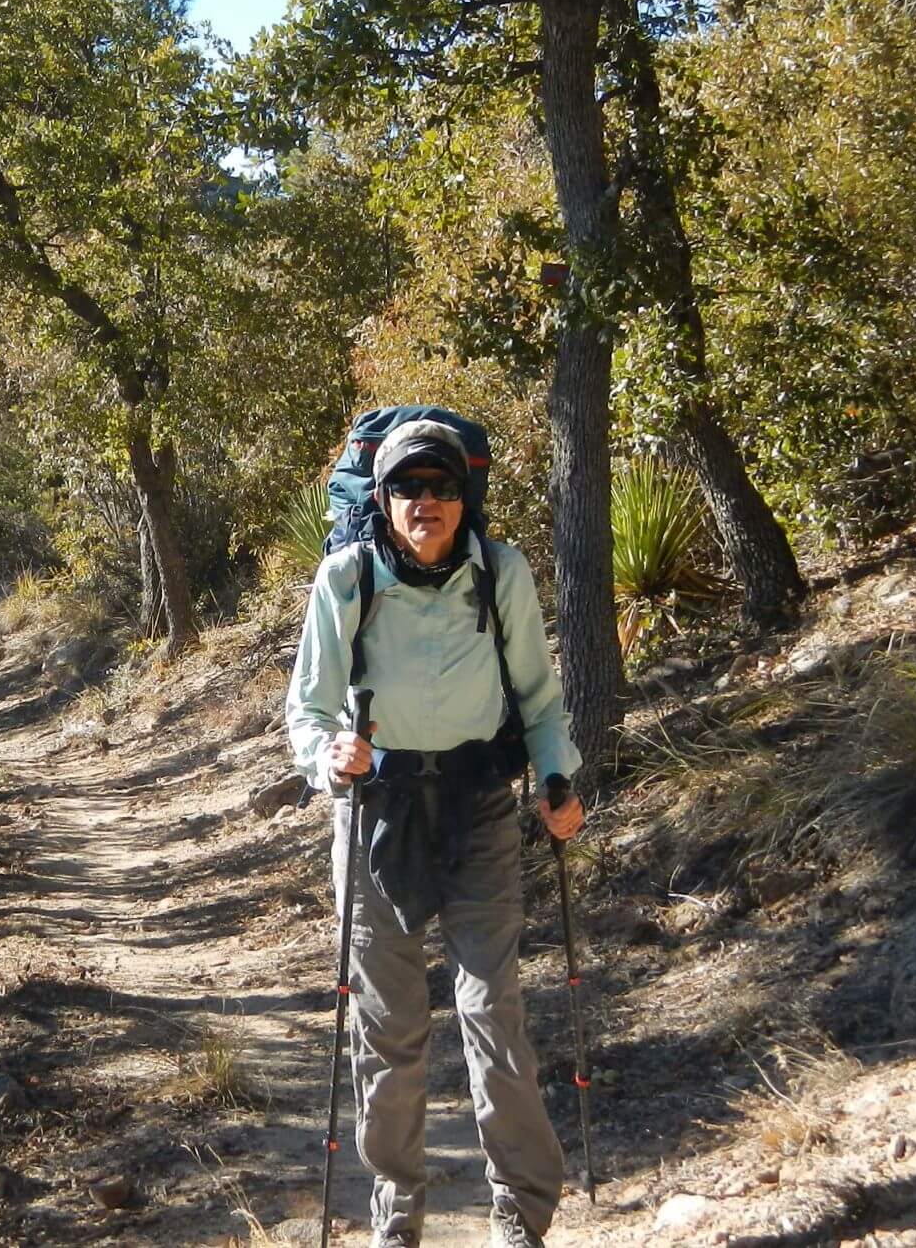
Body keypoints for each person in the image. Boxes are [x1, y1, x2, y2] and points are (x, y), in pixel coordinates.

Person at [284, 418, 586, 1248]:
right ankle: (397, 1216)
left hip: (478, 808)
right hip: (375, 814)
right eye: (409, 487)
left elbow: (539, 700)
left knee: (493, 1009)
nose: (426, 501)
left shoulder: (501, 572)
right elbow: (307, 710)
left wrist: (557, 781)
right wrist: (327, 754)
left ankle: (521, 1217)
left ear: (465, 496)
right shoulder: (348, 576)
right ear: (382, 498)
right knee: (387, 1026)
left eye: (442, 486)